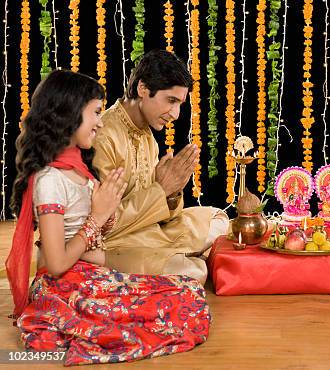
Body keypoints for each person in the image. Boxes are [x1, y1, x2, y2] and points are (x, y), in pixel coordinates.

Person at [6, 70, 211, 365]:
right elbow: (55, 263)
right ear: (70, 114)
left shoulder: (79, 170)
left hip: (91, 273)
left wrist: (109, 213)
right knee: (172, 309)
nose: (100, 122)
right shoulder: (50, 180)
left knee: (190, 293)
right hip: (63, 288)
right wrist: (97, 218)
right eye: (96, 113)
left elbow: (98, 242)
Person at [93, 50, 229, 282]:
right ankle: (179, 255)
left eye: (180, 104)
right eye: (171, 101)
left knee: (219, 219)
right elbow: (102, 224)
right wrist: (161, 190)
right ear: (143, 89)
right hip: (113, 242)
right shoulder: (104, 136)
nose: (176, 114)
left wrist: (173, 193)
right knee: (193, 273)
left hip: (149, 230)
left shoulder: (146, 135)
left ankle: (176, 253)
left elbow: (162, 214)